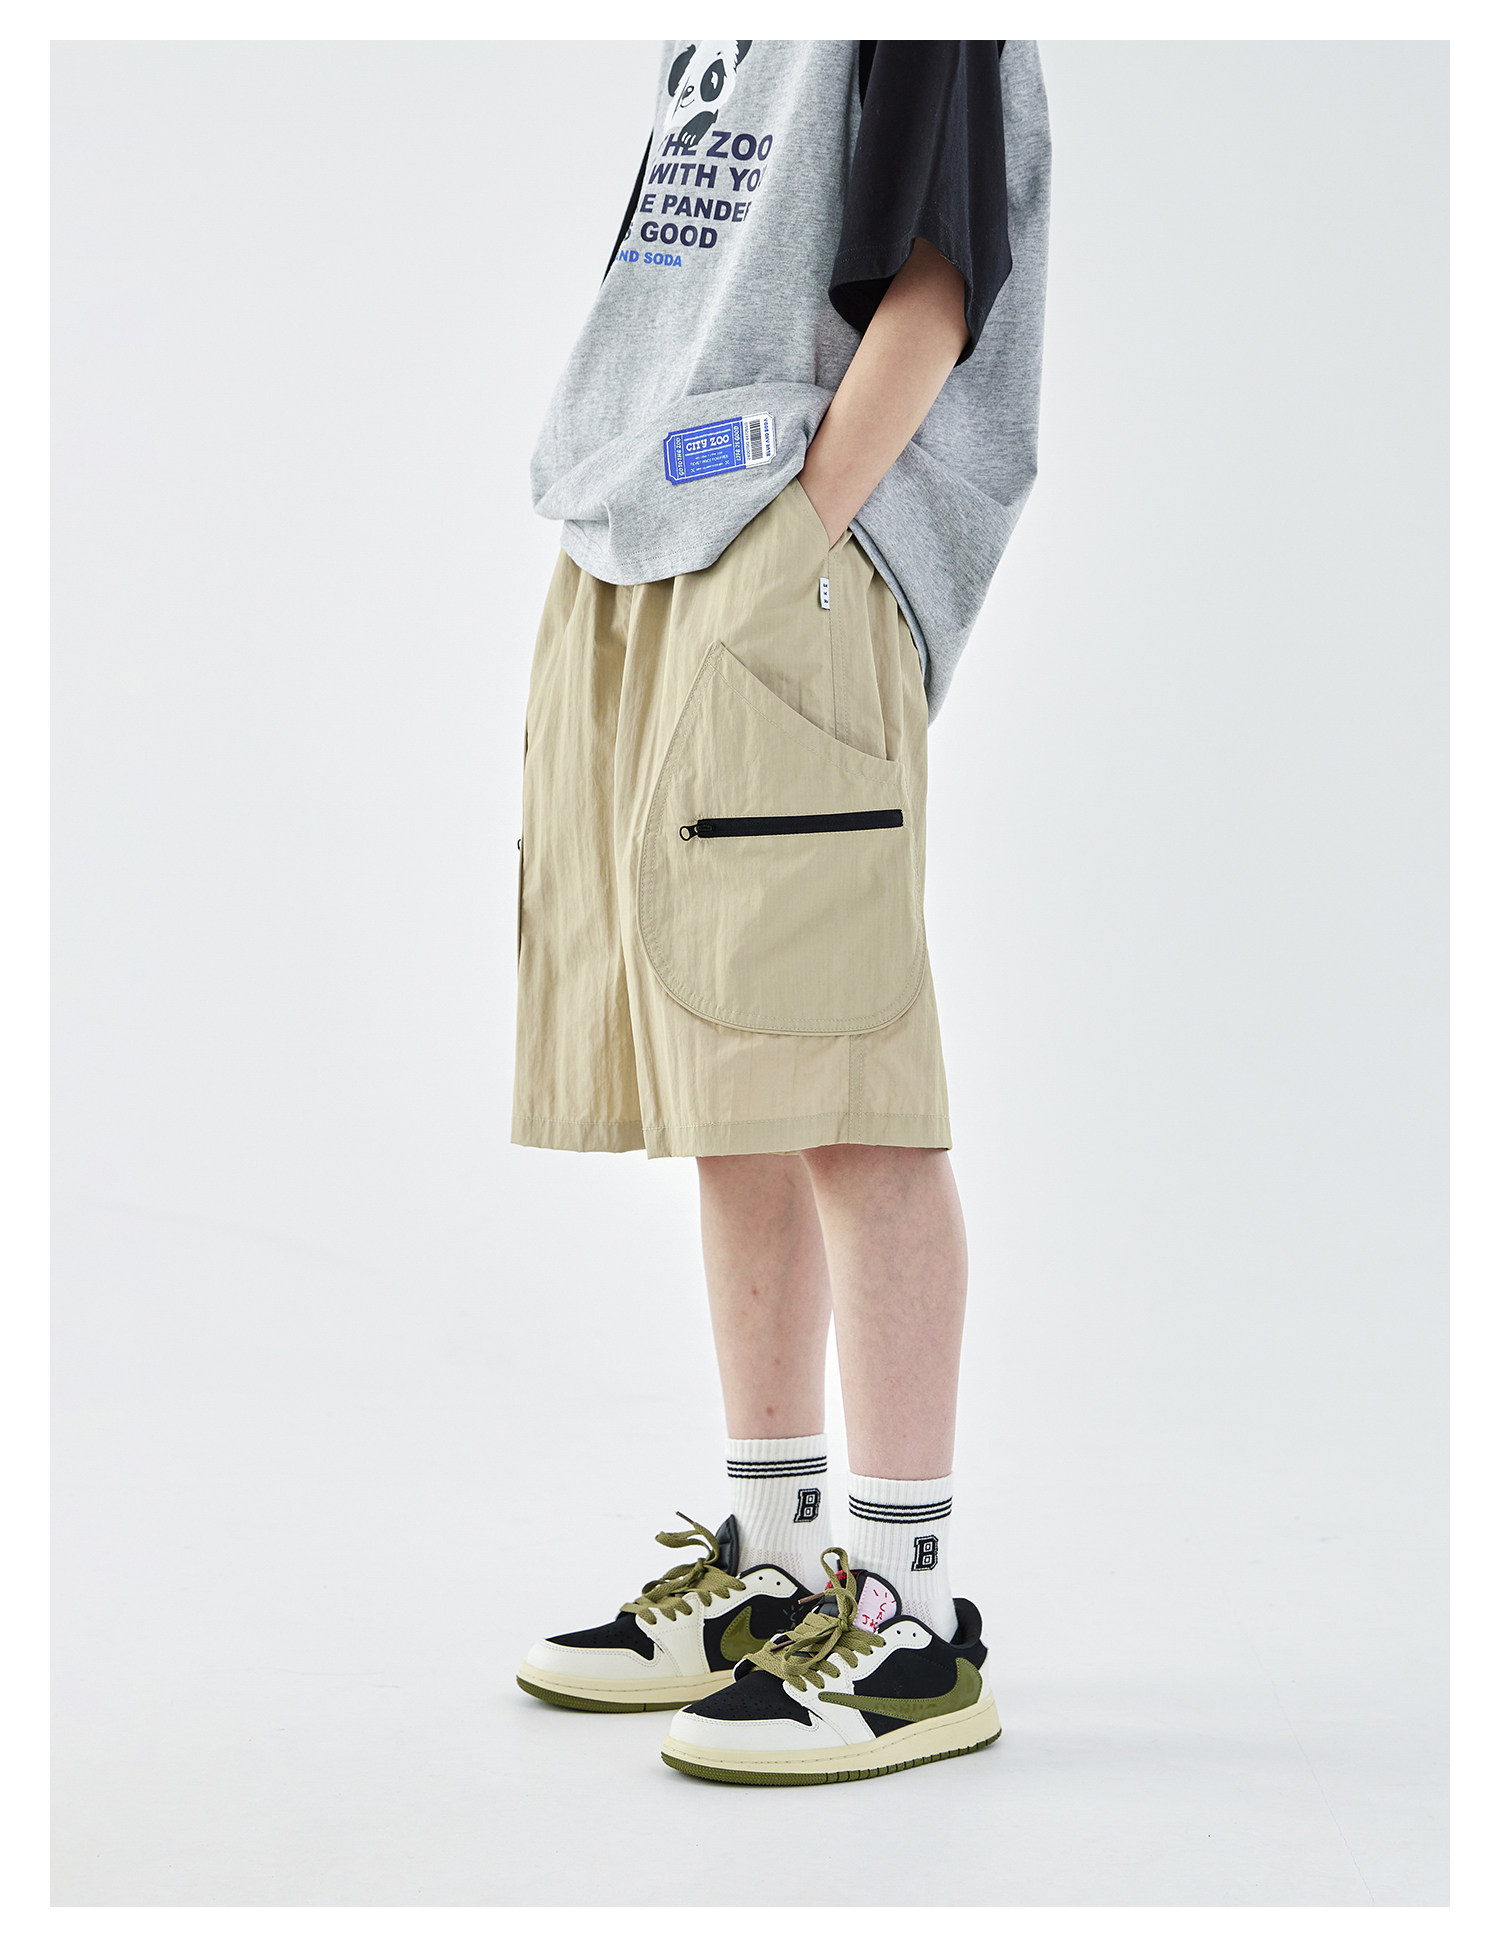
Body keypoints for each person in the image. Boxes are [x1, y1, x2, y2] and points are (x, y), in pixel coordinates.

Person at [512, 39, 1049, 1786]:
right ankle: (771, 1566)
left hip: (784, 556)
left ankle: (908, 1619)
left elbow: (937, 280)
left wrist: (802, 534)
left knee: (845, 1081)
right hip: (641, 551)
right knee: (734, 1084)